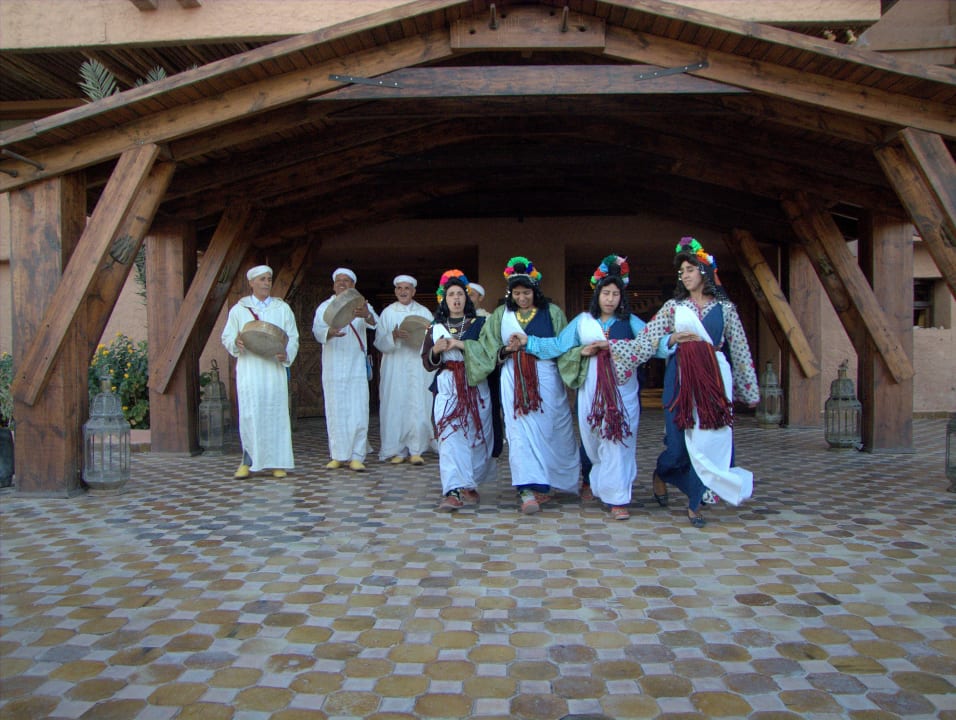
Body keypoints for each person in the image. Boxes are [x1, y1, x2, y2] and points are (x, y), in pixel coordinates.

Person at [609, 237, 759, 528]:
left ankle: (694, 504)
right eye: (683, 271)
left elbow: (740, 349)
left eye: (691, 269)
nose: (686, 275)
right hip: (680, 378)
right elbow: (647, 340)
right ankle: (663, 471)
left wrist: (748, 389)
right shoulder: (673, 307)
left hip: (713, 380)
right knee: (677, 447)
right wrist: (668, 339)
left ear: (704, 270)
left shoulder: (726, 308)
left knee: (708, 443)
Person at [518, 255, 646, 520]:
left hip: (623, 391)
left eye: (615, 294)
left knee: (619, 439)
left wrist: (675, 339)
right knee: (595, 439)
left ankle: (618, 498)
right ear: (597, 294)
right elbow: (557, 345)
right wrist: (527, 342)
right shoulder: (583, 321)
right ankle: (602, 483)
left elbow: (651, 343)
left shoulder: (631, 322)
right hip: (591, 391)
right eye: (606, 293)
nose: (611, 299)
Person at [463, 256, 579, 515]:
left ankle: (548, 483)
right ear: (511, 293)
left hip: (546, 377)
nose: (522, 298)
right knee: (519, 432)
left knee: (551, 428)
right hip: (513, 376)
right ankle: (526, 489)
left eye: (526, 292)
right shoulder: (501, 316)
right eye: (517, 293)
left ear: (534, 291)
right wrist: (505, 349)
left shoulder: (553, 312)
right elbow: (486, 344)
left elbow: (564, 344)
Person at [422, 270, 497, 511]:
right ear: (444, 300)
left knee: (476, 436)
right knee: (449, 436)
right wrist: (435, 350)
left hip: (475, 386)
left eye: (460, 294)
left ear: (467, 298)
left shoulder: (481, 324)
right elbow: (426, 361)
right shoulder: (434, 328)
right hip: (447, 385)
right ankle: (452, 490)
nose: (456, 299)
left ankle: (469, 482)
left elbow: (489, 353)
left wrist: (460, 345)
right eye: (451, 295)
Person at [221, 265, 299, 479]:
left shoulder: (282, 309)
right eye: (262, 279)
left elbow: (292, 336)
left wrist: (287, 353)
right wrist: (235, 342)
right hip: (250, 370)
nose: (266, 282)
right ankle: (248, 461)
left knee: (275, 413)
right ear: (252, 282)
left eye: (269, 279)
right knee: (251, 414)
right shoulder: (239, 310)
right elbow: (227, 336)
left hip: (274, 370)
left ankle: (277, 462)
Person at [312, 267, 380, 472]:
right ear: (333, 285)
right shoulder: (324, 306)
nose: (342, 283)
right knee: (335, 410)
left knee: (358, 410)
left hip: (355, 367)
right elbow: (317, 331)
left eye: (347, 281)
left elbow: (376, 324)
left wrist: (367, 314)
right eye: (339, 280)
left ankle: (357, 456)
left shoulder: (361, 304)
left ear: (353, 285)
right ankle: (338, 455)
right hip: (333, 367)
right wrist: (329, 332)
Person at [373, 274, 436, 465]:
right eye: (399, 288)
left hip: (417, 366)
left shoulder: (424, 312)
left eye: (407, 288)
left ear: (413, 291)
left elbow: (433, 339)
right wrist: (393, 336)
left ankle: (416, 449)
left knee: (418, 404)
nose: (403, 292)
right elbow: (379, 342)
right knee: (395, 404)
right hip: (395, 367)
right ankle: (396, 450)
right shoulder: (388, 313)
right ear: (395, 291)